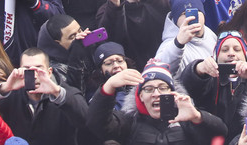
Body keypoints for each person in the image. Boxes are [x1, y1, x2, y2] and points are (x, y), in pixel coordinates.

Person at [86, 61, 228, 145]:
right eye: (148, 89)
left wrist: (198, 117)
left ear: (172, 92)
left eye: (162, 88)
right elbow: (96, 124)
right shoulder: (130, 120)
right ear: (140, 96)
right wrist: (108, 87)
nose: (156, 94)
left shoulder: (187, 117)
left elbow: (220, 134)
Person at [0, 47, 89, 145]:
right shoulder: (13, 92)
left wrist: (56, 92)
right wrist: (5, 87)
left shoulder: (63, 92)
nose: (33, 74)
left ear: (49, 72)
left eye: (38, 68)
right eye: (27, 69)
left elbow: (85, 119)